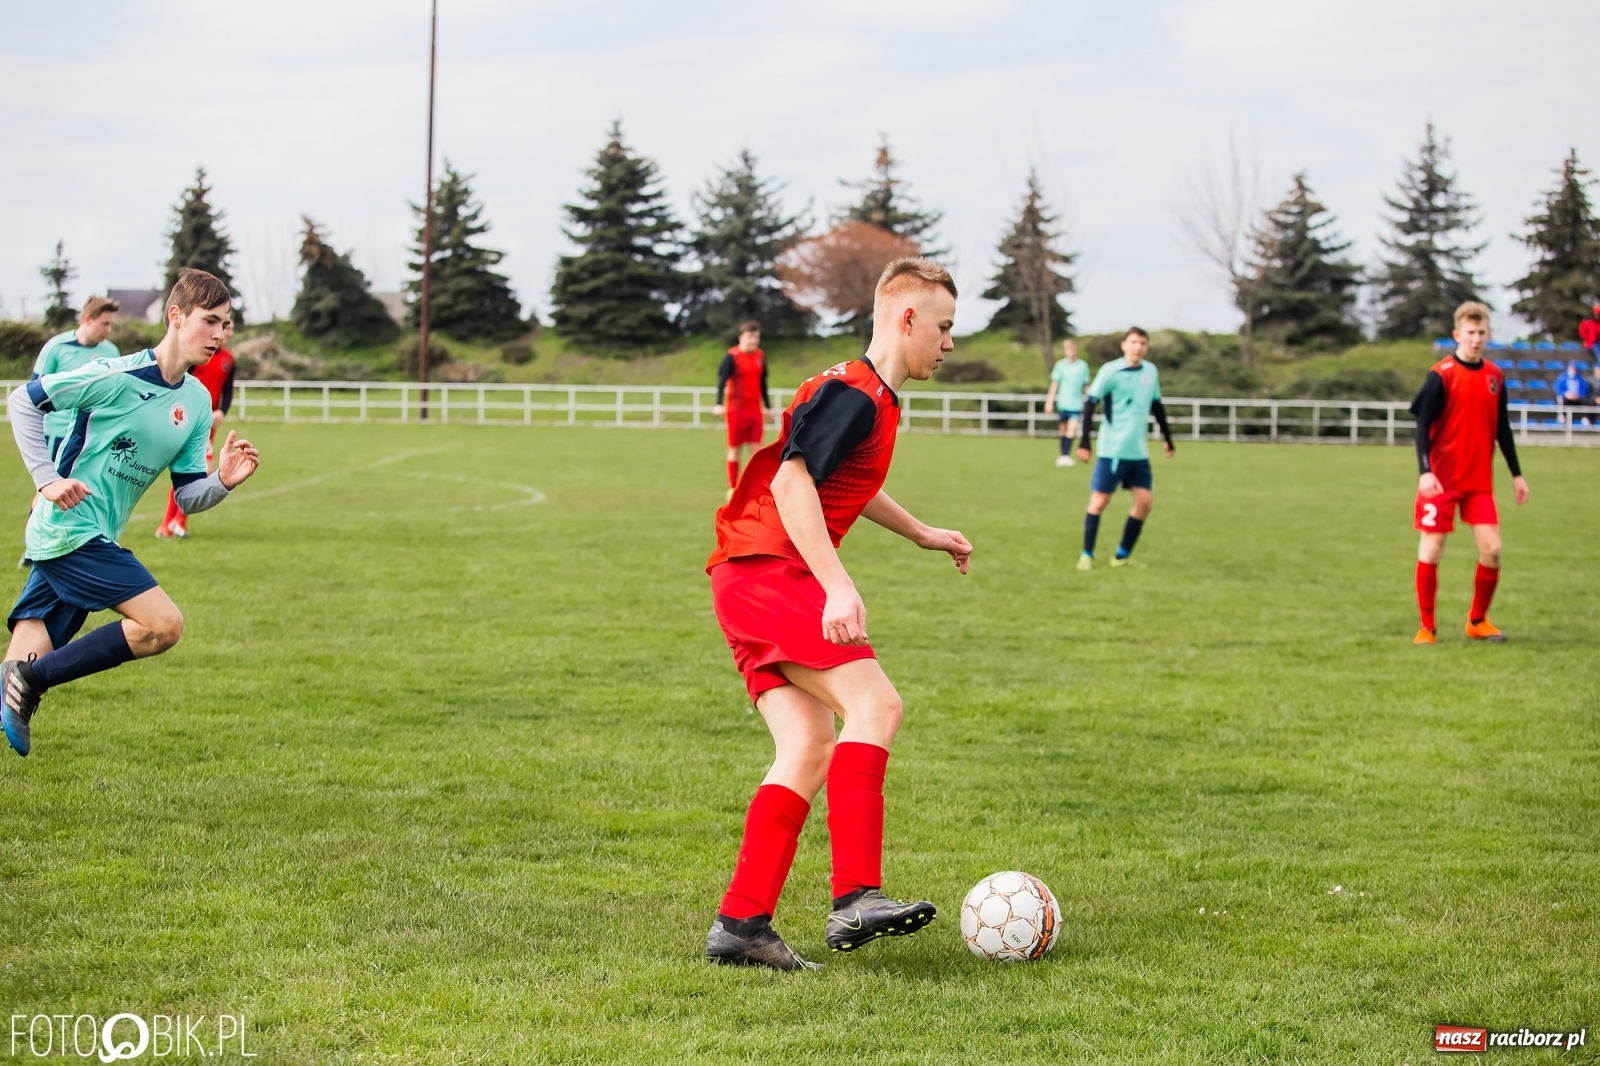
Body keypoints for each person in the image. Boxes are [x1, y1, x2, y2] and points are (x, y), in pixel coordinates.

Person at [704, 257, 972, 971]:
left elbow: (839, 479)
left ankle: (742, 925)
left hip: (747, 571)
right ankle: (856, 894)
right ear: (905, 318)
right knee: (876, 707)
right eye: (944, 327)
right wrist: (837, 585)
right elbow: (793, 483)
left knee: (808, 745)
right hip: (770, 567)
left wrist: (921, 532)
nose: (949, 343)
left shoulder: (870, 396)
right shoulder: (856, 394)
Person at [0, 269, 260, 757]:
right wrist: (47, 480)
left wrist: (221, 481)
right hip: (70, 528)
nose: (220, 334)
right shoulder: (114, 375)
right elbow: (24, 401)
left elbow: (186, 496)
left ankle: (21, 678)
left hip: (94, 533)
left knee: (28, 646)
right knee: (163, 625)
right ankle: (30, 680)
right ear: (176, 316)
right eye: (211, 321)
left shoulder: (197, 402)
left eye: (227, 324)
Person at [1409, 301, 1528, 645]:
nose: (1475, 339)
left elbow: (1501, 428)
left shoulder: (1495, 376)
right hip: (1442, 480)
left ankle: (1477, 620)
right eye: (1470, 333)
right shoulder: (1441, 374)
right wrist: (1425, 472)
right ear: (1457, 334)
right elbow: (1422, 425)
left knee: (1492, 550)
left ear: (1488, 335)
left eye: (1481, 333)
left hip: (1478, 482)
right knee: (1431, 548)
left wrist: (1516, 475)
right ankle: (1427, 628)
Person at [1074, 327, 1174, 570]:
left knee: (1145, 503)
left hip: (1138, 452)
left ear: (1147, 347)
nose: (1138, 347)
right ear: (1124, 345)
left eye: (1142, 343)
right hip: (1112, 450)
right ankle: (1087, 554)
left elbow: (1157, 406)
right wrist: (1085, 441)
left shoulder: (1151, 371)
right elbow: (1090, 403)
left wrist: (1168, 439)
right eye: (1133, 342)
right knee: (1099, 502)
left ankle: (1121, 556)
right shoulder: (1111, 371)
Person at [157, 318, 237, 538]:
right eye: (222, 327)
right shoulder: (197, 356)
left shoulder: (228, 360)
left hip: (209, 423)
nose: (224, 332)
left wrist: (221, 411)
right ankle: (176, 523)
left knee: (192, 471)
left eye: (227, 327)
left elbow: (228, 391)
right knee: (198, 471)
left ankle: (169, 524)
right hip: (190, 420)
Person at [32, 296, 121, 461]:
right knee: (51, 486)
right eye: (105, 324)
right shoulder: (56, 347)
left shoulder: (112, 353)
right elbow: (34, 395)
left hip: (92, 438)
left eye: (111, 324)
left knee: (86, 488)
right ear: (87, 319)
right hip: (57, 435)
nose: (109, 330)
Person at [713, 321, 770, 491]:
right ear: (741, 338)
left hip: (755, 410)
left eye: (756, 337)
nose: (753, 341)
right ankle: (733, 488)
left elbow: (762, 382)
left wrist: (767, 406)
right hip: (736, 409)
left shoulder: (760, 356)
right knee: (735, 449)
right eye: (749, 337)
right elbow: (722, 380)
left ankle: (755, 487)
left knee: (756, 450)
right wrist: (718, 403)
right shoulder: (731, 357)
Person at [1043, 338, 1089, 466]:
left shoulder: (1083, 366)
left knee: (1072, 429)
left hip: (1076, 404)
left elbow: (1086, 385)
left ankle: (1066, 455)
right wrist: (1049, 401)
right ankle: (1062, 454)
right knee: (1063, 429)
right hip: (1063, 402)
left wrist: (1091, 399)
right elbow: (1054, 384)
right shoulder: (1061, 365)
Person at [1553, 359, 1592, 426]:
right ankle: (1562, 416)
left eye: (1574, 368)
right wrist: (1567, 394)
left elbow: (1584, 389)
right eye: (1571, 368)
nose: (1573, 370)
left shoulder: (1580, 378)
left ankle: (1585, 418)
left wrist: (1577, 395)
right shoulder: (1563, 377)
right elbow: (1558, 388)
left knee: (1586, 400)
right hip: (1567, 398)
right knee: (1561, 399)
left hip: (1577, 399)